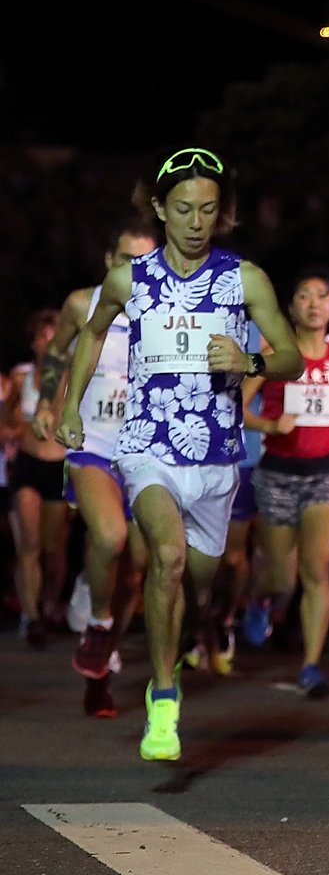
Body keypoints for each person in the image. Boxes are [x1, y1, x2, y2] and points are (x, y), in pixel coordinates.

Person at [55, 148, 303, 762]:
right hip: (146, 447)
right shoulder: (129, 280)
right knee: (164, 558)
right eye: (184, 209)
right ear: (161, 209)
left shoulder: (244, 279)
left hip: (217, 459)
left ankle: (194, 635)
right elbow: (91, 333)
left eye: (209, 211)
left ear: (222, 215)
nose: (196, 222)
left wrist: (249, 361)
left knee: (197, 581)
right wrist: (69, 405)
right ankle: (163, 698)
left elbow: (292, 356)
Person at [39, 223, 158, 715]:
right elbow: (55, 352)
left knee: (136, 569)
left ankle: (103, 646)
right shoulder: (80, 303)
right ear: (109, 260)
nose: (133, 272)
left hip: (149, 452)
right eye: (124, 261)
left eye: (144, 263)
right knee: (109, 536)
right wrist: (49, 400)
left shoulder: (169, 310)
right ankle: (100, 621)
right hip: (92, 444)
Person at [243, 270, 329, 699]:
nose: (314, 303)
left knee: (317, 571)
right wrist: (268, 424)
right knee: (282, 578)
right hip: (277, 473)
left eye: (322, 295)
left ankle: (312, 664)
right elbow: (236, 409)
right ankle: (262, 599)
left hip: (325, 475)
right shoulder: (274, 355)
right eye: (304, 295)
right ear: (291, 307)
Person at [9, 309, 68, 647]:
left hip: (58, 466)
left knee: (52, 548)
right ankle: (30, 616)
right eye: (44, 335)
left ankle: (48, 604)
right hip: (29, 465)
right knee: (29, 545)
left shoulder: (71, 374)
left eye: (55, 335)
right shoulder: (21, 378)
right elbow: (9, 420)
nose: (49, 341)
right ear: (34, 341)